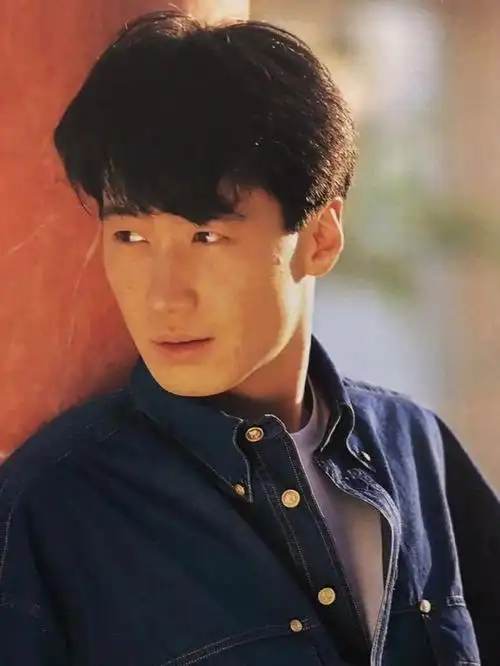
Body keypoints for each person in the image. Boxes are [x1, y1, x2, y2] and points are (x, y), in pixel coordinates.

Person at [1, 9, 499, 666]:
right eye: (130, 236)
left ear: (321, 237)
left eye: (206, 236)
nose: (162, 296)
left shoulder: (415, 449)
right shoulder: (50, 508)